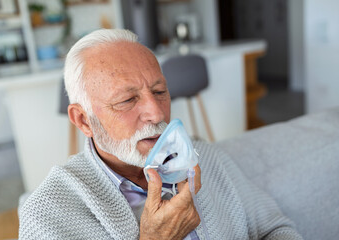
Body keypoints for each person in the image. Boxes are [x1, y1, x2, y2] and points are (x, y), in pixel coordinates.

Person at [19, 29, 303, 240]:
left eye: (159, 92)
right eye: (127, 100)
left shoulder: (208, 157)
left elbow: (275, 228)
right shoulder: (47, 215)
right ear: (83, 120)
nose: (157, 114)